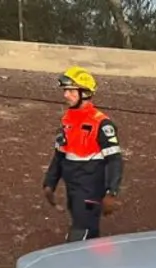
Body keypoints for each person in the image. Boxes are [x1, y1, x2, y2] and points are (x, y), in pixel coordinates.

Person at [42, 66, 123, 242]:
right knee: (85, 231)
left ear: (84, 93)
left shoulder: (102, 124)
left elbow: (115, 160)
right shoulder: (68, 120)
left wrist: (112, 192)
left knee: (81, 232)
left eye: (71, 91)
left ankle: (77, 263)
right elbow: (60, 154)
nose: (65, 95)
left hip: (90, 189)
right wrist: (50, 183)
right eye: (65, 91)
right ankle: (93, 262)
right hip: (73, 187)